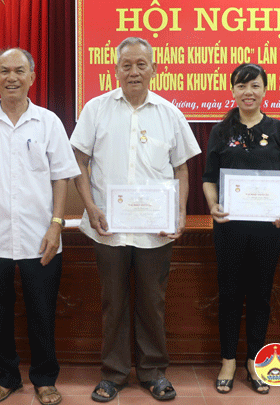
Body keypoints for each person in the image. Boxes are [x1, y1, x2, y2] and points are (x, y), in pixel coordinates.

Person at [71, 37, 201, 402]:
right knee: (113, 302)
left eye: (141, 64)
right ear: (115, 70)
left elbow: (181, 168)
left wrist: (180, 212)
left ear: (154, 69)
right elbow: (78, 161)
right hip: (108, 227)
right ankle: (113, 374)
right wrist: (90, 206)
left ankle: (153, 372)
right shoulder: (96, 109)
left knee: (152, 302)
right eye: (126, 65)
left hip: (154, 229)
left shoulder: (170, 114)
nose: (134, 72)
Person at [0, 47, 79, 405]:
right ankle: (6, 376)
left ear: (32, 77)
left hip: (41, 236)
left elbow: (62, 177)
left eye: (19, 70)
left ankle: (44, 378)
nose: (12, 77)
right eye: (4, 71)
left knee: (42, 311)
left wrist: (56, 225)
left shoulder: (48, 122)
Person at [201, 63, 280, 395]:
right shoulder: (221, 131)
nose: (248, 92)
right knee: (229, 294)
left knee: (260, 295)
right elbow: (209, 178)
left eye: (255, 85)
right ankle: (228, 360)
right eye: (241, 86)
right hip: (230, 227)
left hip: (268, 230)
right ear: (233, 91)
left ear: (265, 89)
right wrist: (213, 205)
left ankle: (255, 360)